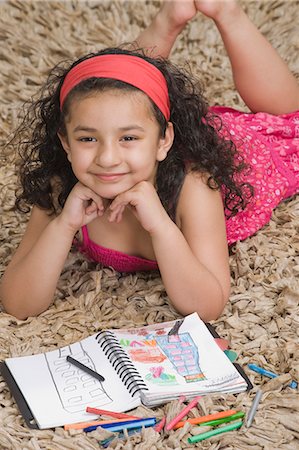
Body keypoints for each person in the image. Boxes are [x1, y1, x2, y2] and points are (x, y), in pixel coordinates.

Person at [0, 0, 298, 322]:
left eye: (128, 139)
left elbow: (208, 306)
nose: (108, 158)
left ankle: (228, 12)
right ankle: (170, 18)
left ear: (164, 141)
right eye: (87, 139)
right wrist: (63, 226)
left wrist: (160, 225)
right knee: (124, 95)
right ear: (66, 143)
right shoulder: (61, 185)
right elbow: (18, 304)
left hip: (240, 152)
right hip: (149, 126)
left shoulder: (196, 185)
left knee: (290, 119)